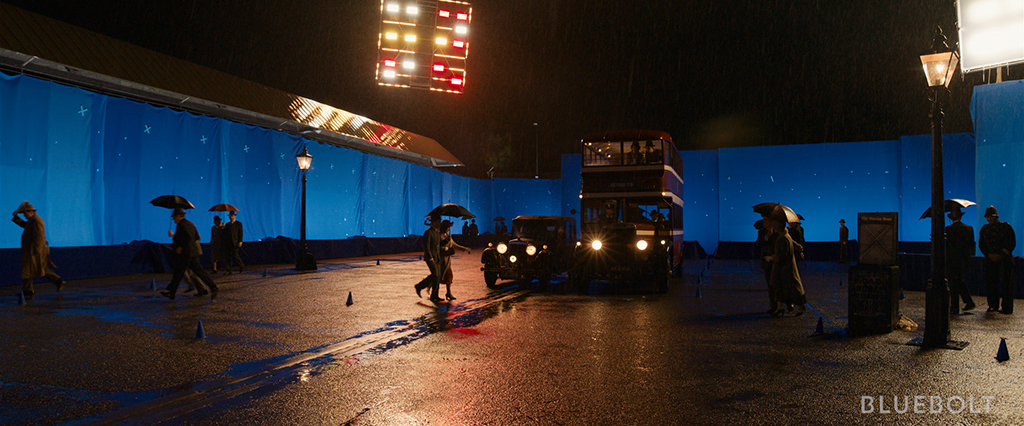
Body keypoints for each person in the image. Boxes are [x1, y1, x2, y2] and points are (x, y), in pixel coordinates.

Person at [11, 201, 64, 300]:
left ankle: (57, 281)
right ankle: (28, 291)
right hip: (32, 250)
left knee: (38, 268)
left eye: (25, 213)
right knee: (30, 270)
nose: (25, 215)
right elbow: (24, 225)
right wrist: (16, 217)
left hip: (34, 250)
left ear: (31, 212)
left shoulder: (36, 221)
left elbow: (39, 236)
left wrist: (37, 251)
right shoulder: (32, 220)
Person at [161, 208, 217, 300]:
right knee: (186, 272)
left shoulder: (182, 225)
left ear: (178, 216)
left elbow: (189, 237)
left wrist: (181, 246)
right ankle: (171, 292)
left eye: (174, 217)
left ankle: (172, 292)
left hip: (187, 254)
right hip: (190, 253)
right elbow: (196, 237)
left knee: (181, 272)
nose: (174, 219)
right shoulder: (189, 224)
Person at [763, 211, 806, 316]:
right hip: (782, 268)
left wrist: (771, 258)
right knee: (780, 287)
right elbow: (793, 244)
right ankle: (780, 307)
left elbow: (783, 254)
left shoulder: (783, 237)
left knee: (792, 288)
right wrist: (798, 247)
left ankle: (800, 307)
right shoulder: (784, 235)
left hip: (786, 268)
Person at [979, 206, 1015, 314]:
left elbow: (1011, 243)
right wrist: (989, 254)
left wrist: (1000, 255)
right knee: (991, 283)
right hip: (991, 260)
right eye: (988, 217)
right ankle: (993, 305)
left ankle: (1007, 307)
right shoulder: (985, 229)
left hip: (1004, 260)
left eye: (991, 217)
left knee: (1007, 283)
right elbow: (982, 244)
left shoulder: (1006, 227)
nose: (989, 219)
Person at [945, 207, 976, 314]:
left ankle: (955, 306)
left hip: (952, 259)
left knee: (954, 282)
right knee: (959, 280)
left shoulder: (948, 229)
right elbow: (971, 244)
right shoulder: (969, 228)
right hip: (964, 259)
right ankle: (967, 301)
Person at [414, 213, 445, 302]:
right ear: (434, 222)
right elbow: (426, 247)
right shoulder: (428, 232)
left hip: (437, 257)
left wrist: (446, 241)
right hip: (431, 258)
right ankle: (419, 286)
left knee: (438, 277)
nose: (440, 223)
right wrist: (430, 258)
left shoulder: (437, 232)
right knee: (435, 275)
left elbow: (438, 244)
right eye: (438, 221)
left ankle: (434, 295)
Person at [438, 220, 471, 300]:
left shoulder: (448, 236)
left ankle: (448, 292)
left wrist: (463, 248)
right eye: (448, 227)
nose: (449, 229)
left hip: (447, 260)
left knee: (448, 275)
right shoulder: (439, 236)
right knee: (439, 276)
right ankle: (434, 292)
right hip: (441, 259)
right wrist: (445, 246)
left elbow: (454, 245)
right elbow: (437, 246)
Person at [755, 217, 778, 315]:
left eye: (766, 220)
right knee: (770, 284)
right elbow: (758, 244)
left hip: (775, 261)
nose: (764, 222)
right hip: (766, 261)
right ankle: (773, 306)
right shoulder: (762, 232)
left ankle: (781, 305)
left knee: (777, 284)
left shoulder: (777, 231)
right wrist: (766, 238)